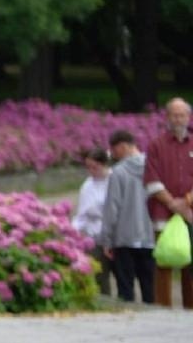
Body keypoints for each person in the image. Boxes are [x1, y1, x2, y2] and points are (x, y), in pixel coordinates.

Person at [144, 97, 193, 308]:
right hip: (163, 212)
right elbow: (151, 179)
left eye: (182, 115)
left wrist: (188, 202)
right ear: (167, 117)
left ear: (189, 118)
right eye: (174, 115)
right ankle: (162, 309)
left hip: (191, 213)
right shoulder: (156, 145)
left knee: (190, 262)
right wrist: (173, 203)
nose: (178, 119)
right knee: (163, 261)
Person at [101, 130, 156, 303]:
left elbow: (112, 207)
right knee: (150, 287)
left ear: (123, 147)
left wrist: (107, 239)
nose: (114, 155)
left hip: (124, 237)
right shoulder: (154, 166)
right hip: (150, 235)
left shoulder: (118, 172)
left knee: (125, 290)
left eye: (115, 151)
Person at [72, 150, 111, 297]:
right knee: (99, 276)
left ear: (103, 165)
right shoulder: (87, 186)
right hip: (94, 235)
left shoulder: (114, 180)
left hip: (113, 233)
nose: (91, 171)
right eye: (88, 167)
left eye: (94, 167)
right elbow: (81, 215)